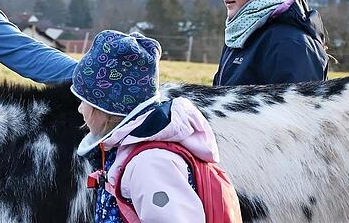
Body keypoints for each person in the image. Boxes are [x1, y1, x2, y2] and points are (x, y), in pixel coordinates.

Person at [73, 30, 232, 223]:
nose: (80, 109)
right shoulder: (129, 149)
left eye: (84, 101)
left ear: (106, 106)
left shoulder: (150, 164)